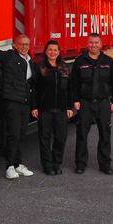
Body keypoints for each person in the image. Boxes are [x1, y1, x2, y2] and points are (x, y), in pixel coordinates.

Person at [0, 32, 36, 180]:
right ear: (16, 45)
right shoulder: (9, 57)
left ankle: (18, 164)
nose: (24, 47)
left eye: (26, 45)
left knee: (22, 134)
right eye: (21, 44)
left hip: (25, 102)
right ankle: (9, 167)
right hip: (12, 102)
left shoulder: (30, 61)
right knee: (13, 134)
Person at [70, 33, 113, 175]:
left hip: (103, 103)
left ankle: (104, 164)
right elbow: (74, 83)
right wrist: (75, 100)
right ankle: (80, 163)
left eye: (96, 42)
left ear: (100, 44)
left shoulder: (108, 61)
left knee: (105, 134)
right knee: (82, 135)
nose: (93, 45)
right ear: (88, 43)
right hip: (85, 103)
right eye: (91, 43)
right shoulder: (80, 61)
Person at [31, 40, 73, 175]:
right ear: (45, 51)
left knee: (61, 137)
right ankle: (47, 165)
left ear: (59, 52)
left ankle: (56, 163)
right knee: (45, 137)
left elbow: (71, 89)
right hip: (45, 109)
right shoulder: (39, 68)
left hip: (61, 109)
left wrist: (70, 107)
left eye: (55, 50)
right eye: (50, 50)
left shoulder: (65, 68)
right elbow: (34, 89)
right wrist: (34, 106)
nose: (52, 52)